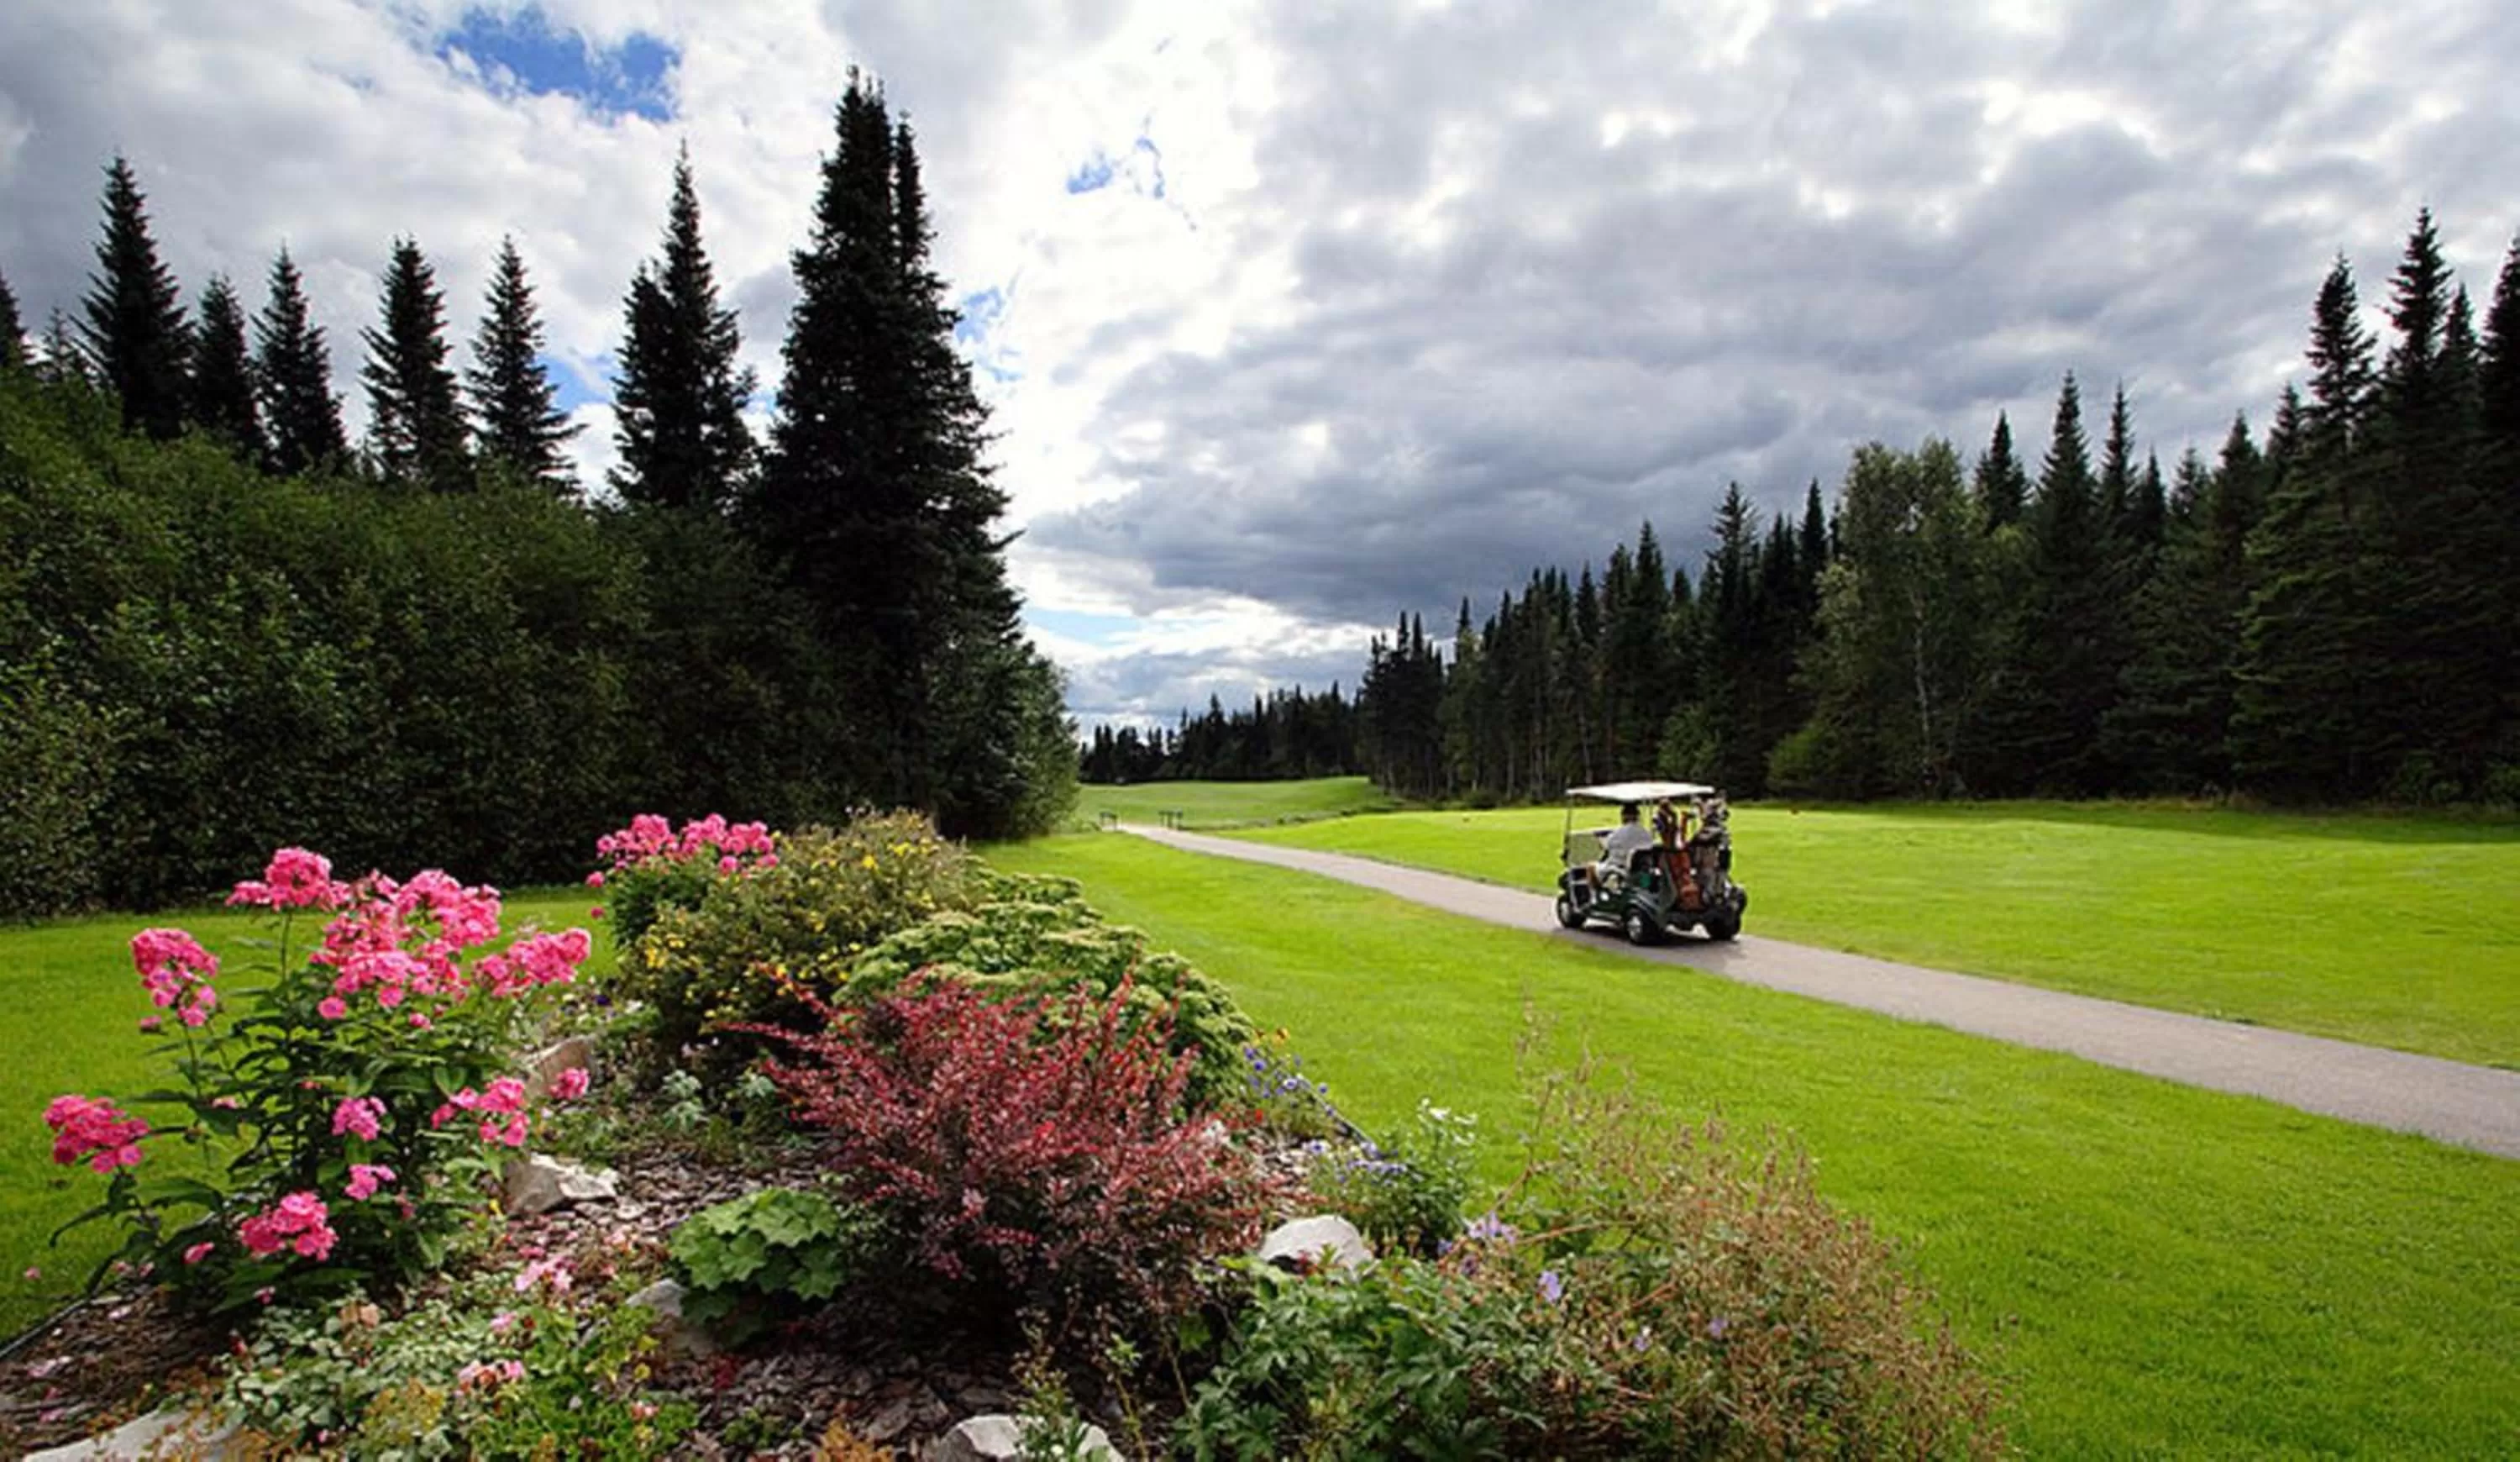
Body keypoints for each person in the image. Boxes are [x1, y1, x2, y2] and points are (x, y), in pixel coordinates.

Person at [1596, 802, 1656, 887]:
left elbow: (1607, 846)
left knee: (1591, 868)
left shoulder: (1618, 833)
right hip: (1643, 873)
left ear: (1624, 816)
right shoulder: (1646, 833)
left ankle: (1596, 893)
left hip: (1622, 869)